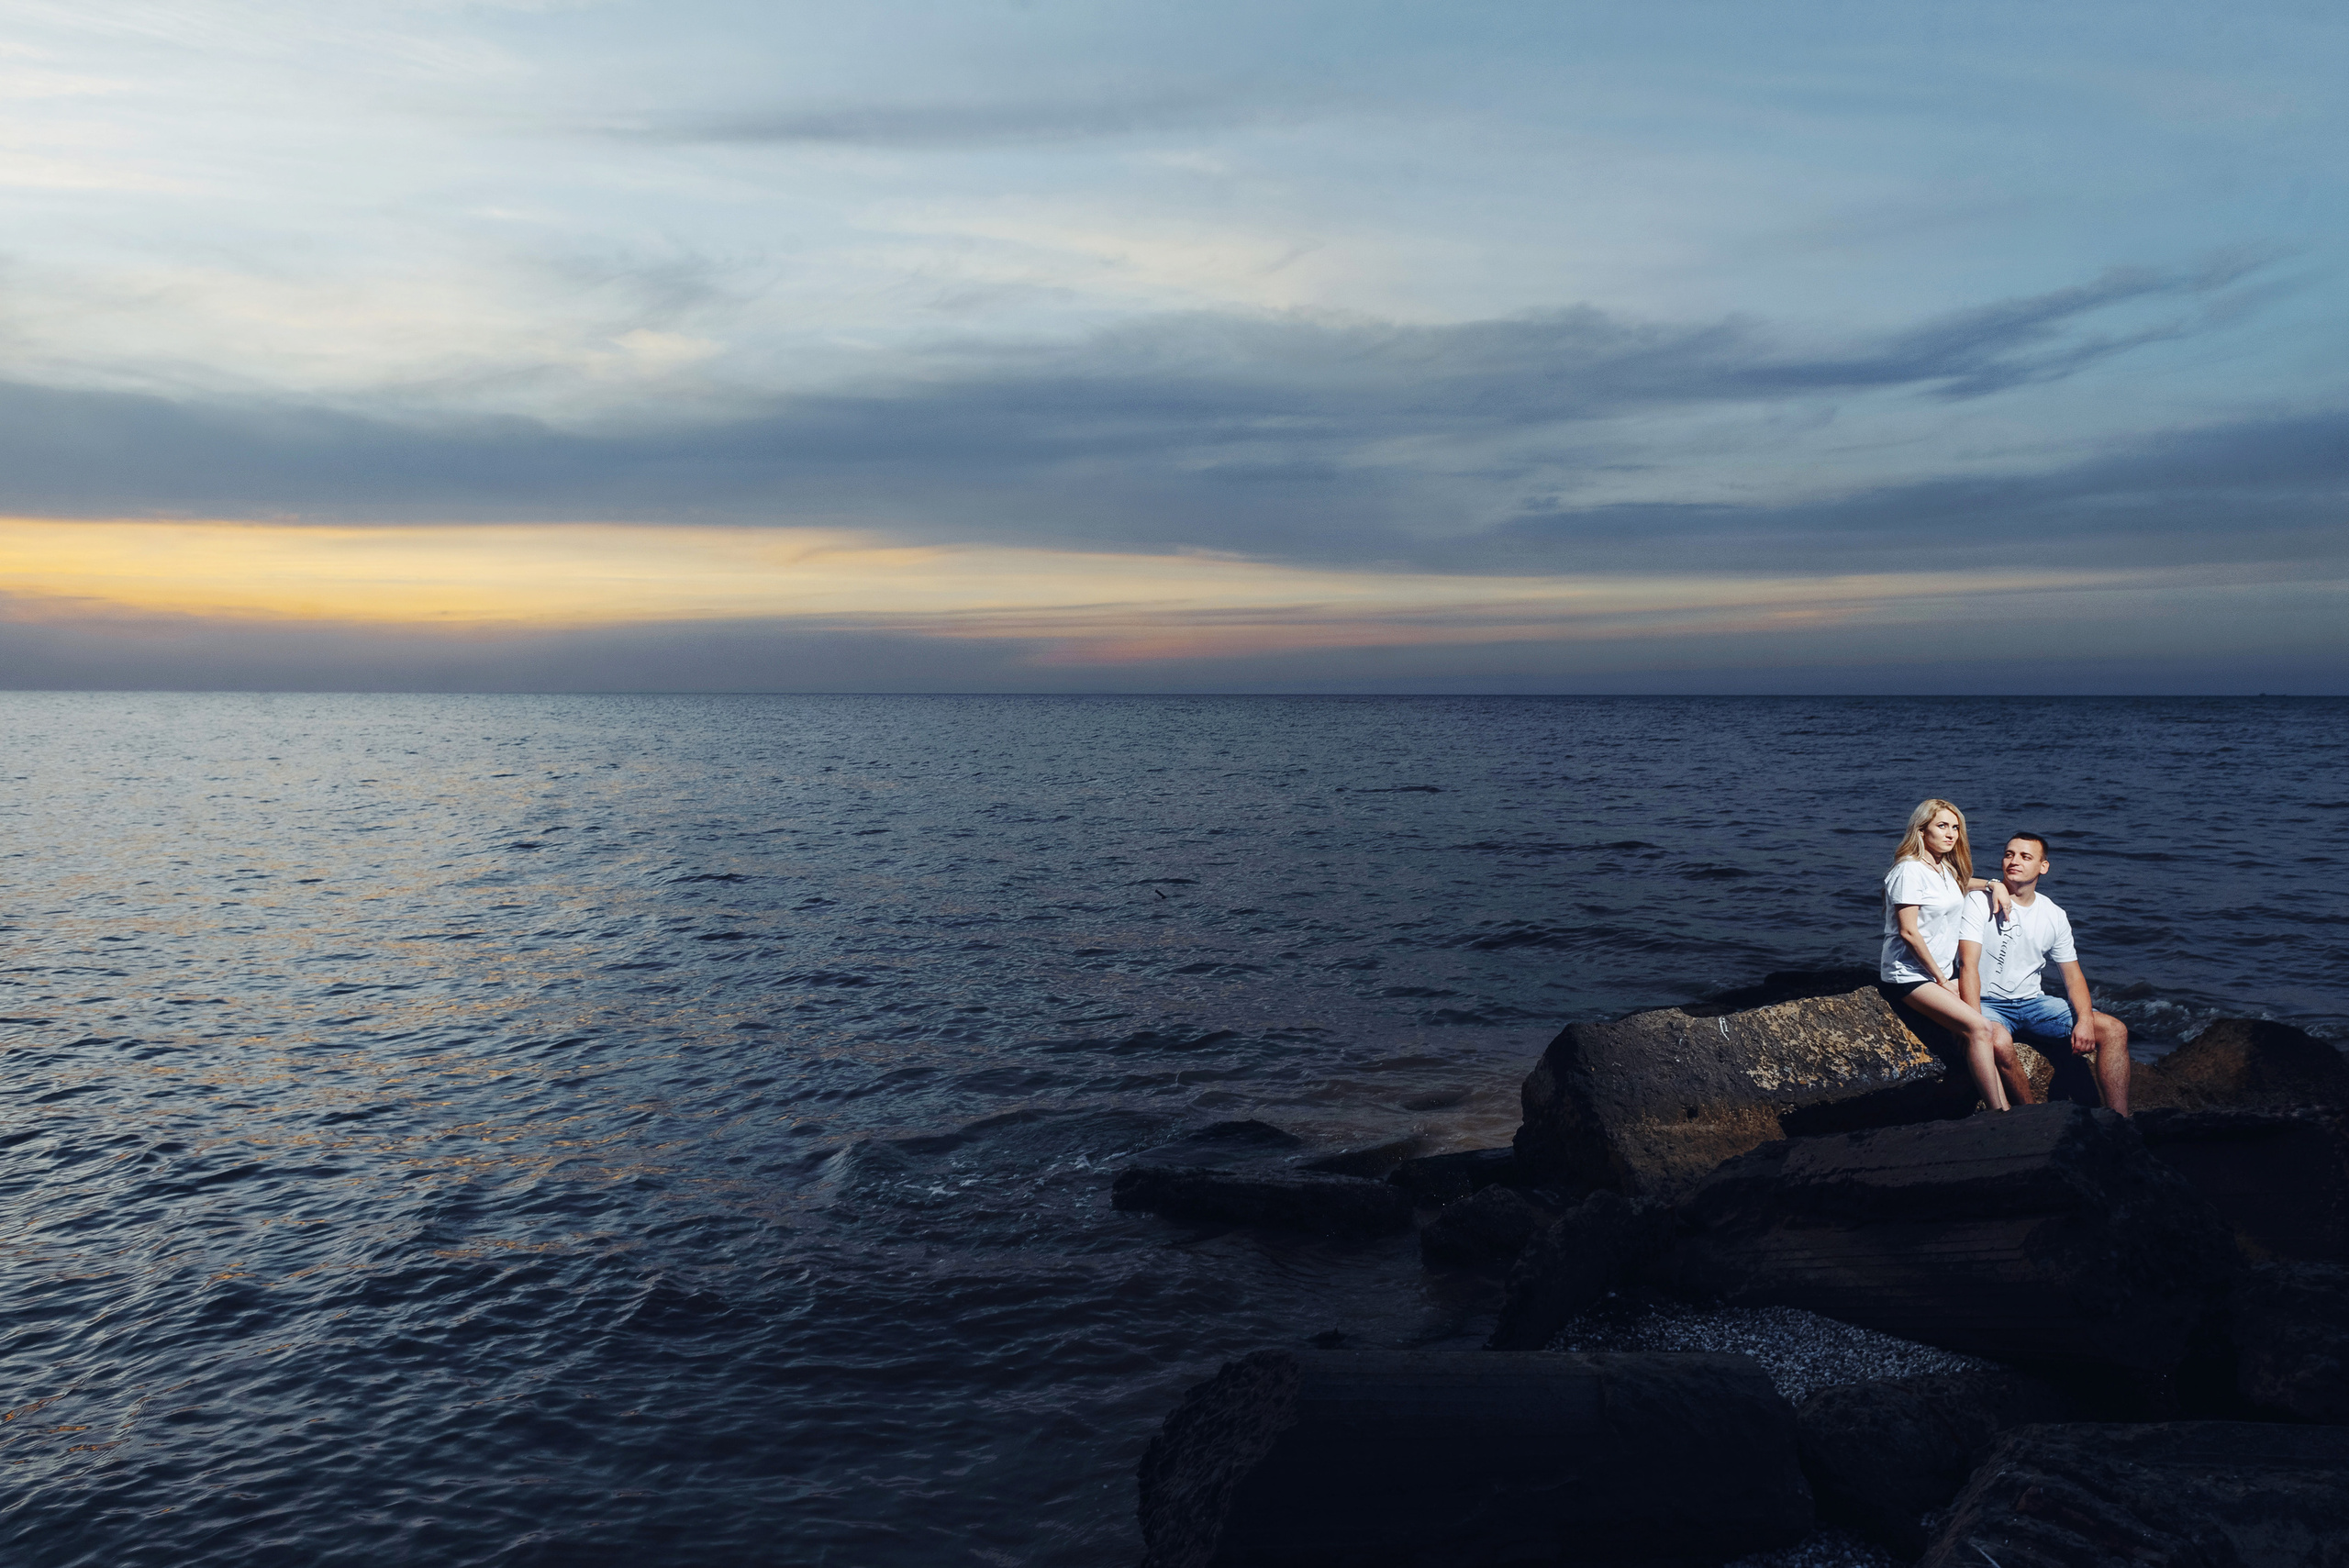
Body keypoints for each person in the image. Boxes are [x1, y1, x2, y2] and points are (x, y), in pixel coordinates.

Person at [1958, 833, 2132, 1116]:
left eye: (2025, 857)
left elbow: (2073, 976)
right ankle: (2033, 1117)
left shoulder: (2053, 914)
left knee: (2114, 1030)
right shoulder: (1979, 901)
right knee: (1999, 1042)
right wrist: (1973, 1020)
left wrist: (2085, 1021)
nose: (2014, 861)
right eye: (2009, 854)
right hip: (1988, 1004)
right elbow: (1968, 964)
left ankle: (2121, 1121)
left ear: (2043, 866)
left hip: (2033, 1004)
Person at [1879, 798, 2027, 1111]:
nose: (1951, 834)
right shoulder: (1909, 871)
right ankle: (1999, 1112)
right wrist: (1942, 979)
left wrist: (1993, 884)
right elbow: (1908, 932)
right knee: (1980, 1028)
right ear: (1921, 830)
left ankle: (2016, 1109)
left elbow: (1961, 886)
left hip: (1936, 976)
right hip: (1908, 977)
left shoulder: (1943, 867)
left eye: (1956, 827)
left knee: (1997, 1035)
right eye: (1942, 826)